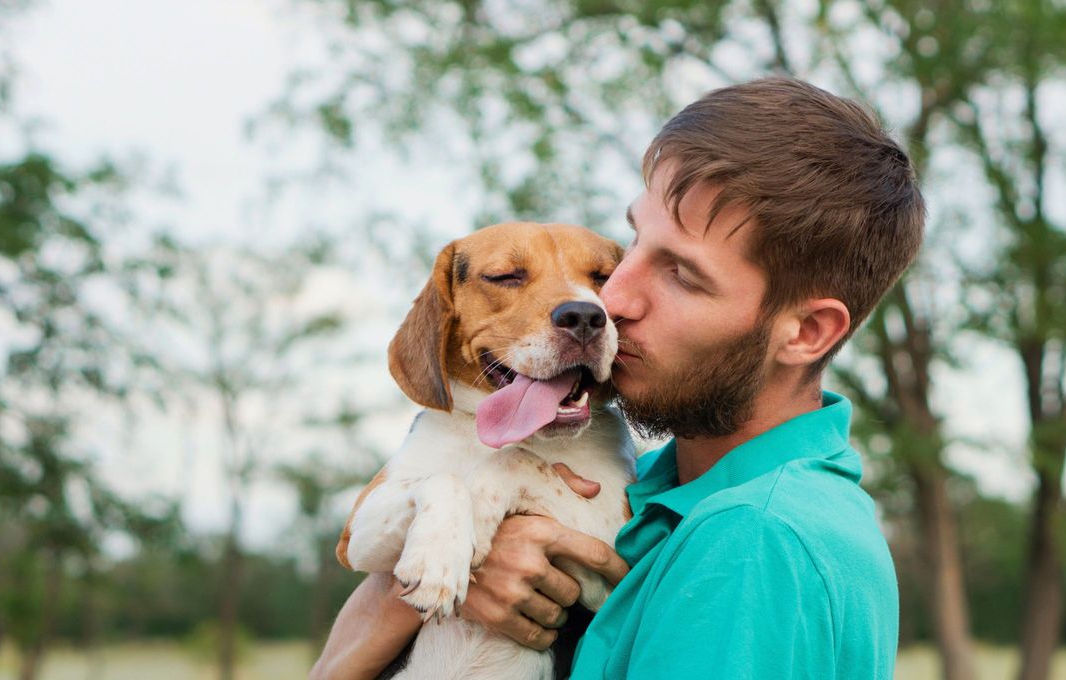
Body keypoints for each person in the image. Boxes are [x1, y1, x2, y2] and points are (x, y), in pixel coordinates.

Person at [311, 76, 924, 680]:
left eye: (681, 274)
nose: (615, 299)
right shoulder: (670, 487)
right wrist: (467, 561)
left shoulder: (753, 543)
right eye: (632, 245)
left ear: (807, 332)